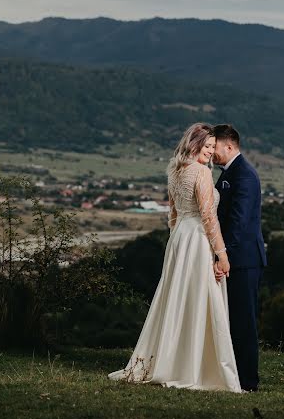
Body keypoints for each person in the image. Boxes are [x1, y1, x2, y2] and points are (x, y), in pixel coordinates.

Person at [108, 123, 241, 392]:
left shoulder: (175, 171)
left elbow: (173, 215)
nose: (210, 152)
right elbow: (208, 217)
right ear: (194, 145)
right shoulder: (201, 173)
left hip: (180, 237)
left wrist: (175, 242)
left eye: (213, 148)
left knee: (176, 296)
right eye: (207, 146)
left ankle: (170, 359)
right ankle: (191, 367)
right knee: (197, 297)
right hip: (196, 238)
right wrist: (221, 254)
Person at [213, 124, 267, 392]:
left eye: (216, 147)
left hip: (243, 260)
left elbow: (238, 222)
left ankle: (248, 381)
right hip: (234, 257)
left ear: (230, 146)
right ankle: (232, 375)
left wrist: (223, 256)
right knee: (230, 319)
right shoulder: (230, 173)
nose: (212, 152)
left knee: (244, 321)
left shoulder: (243, 175)